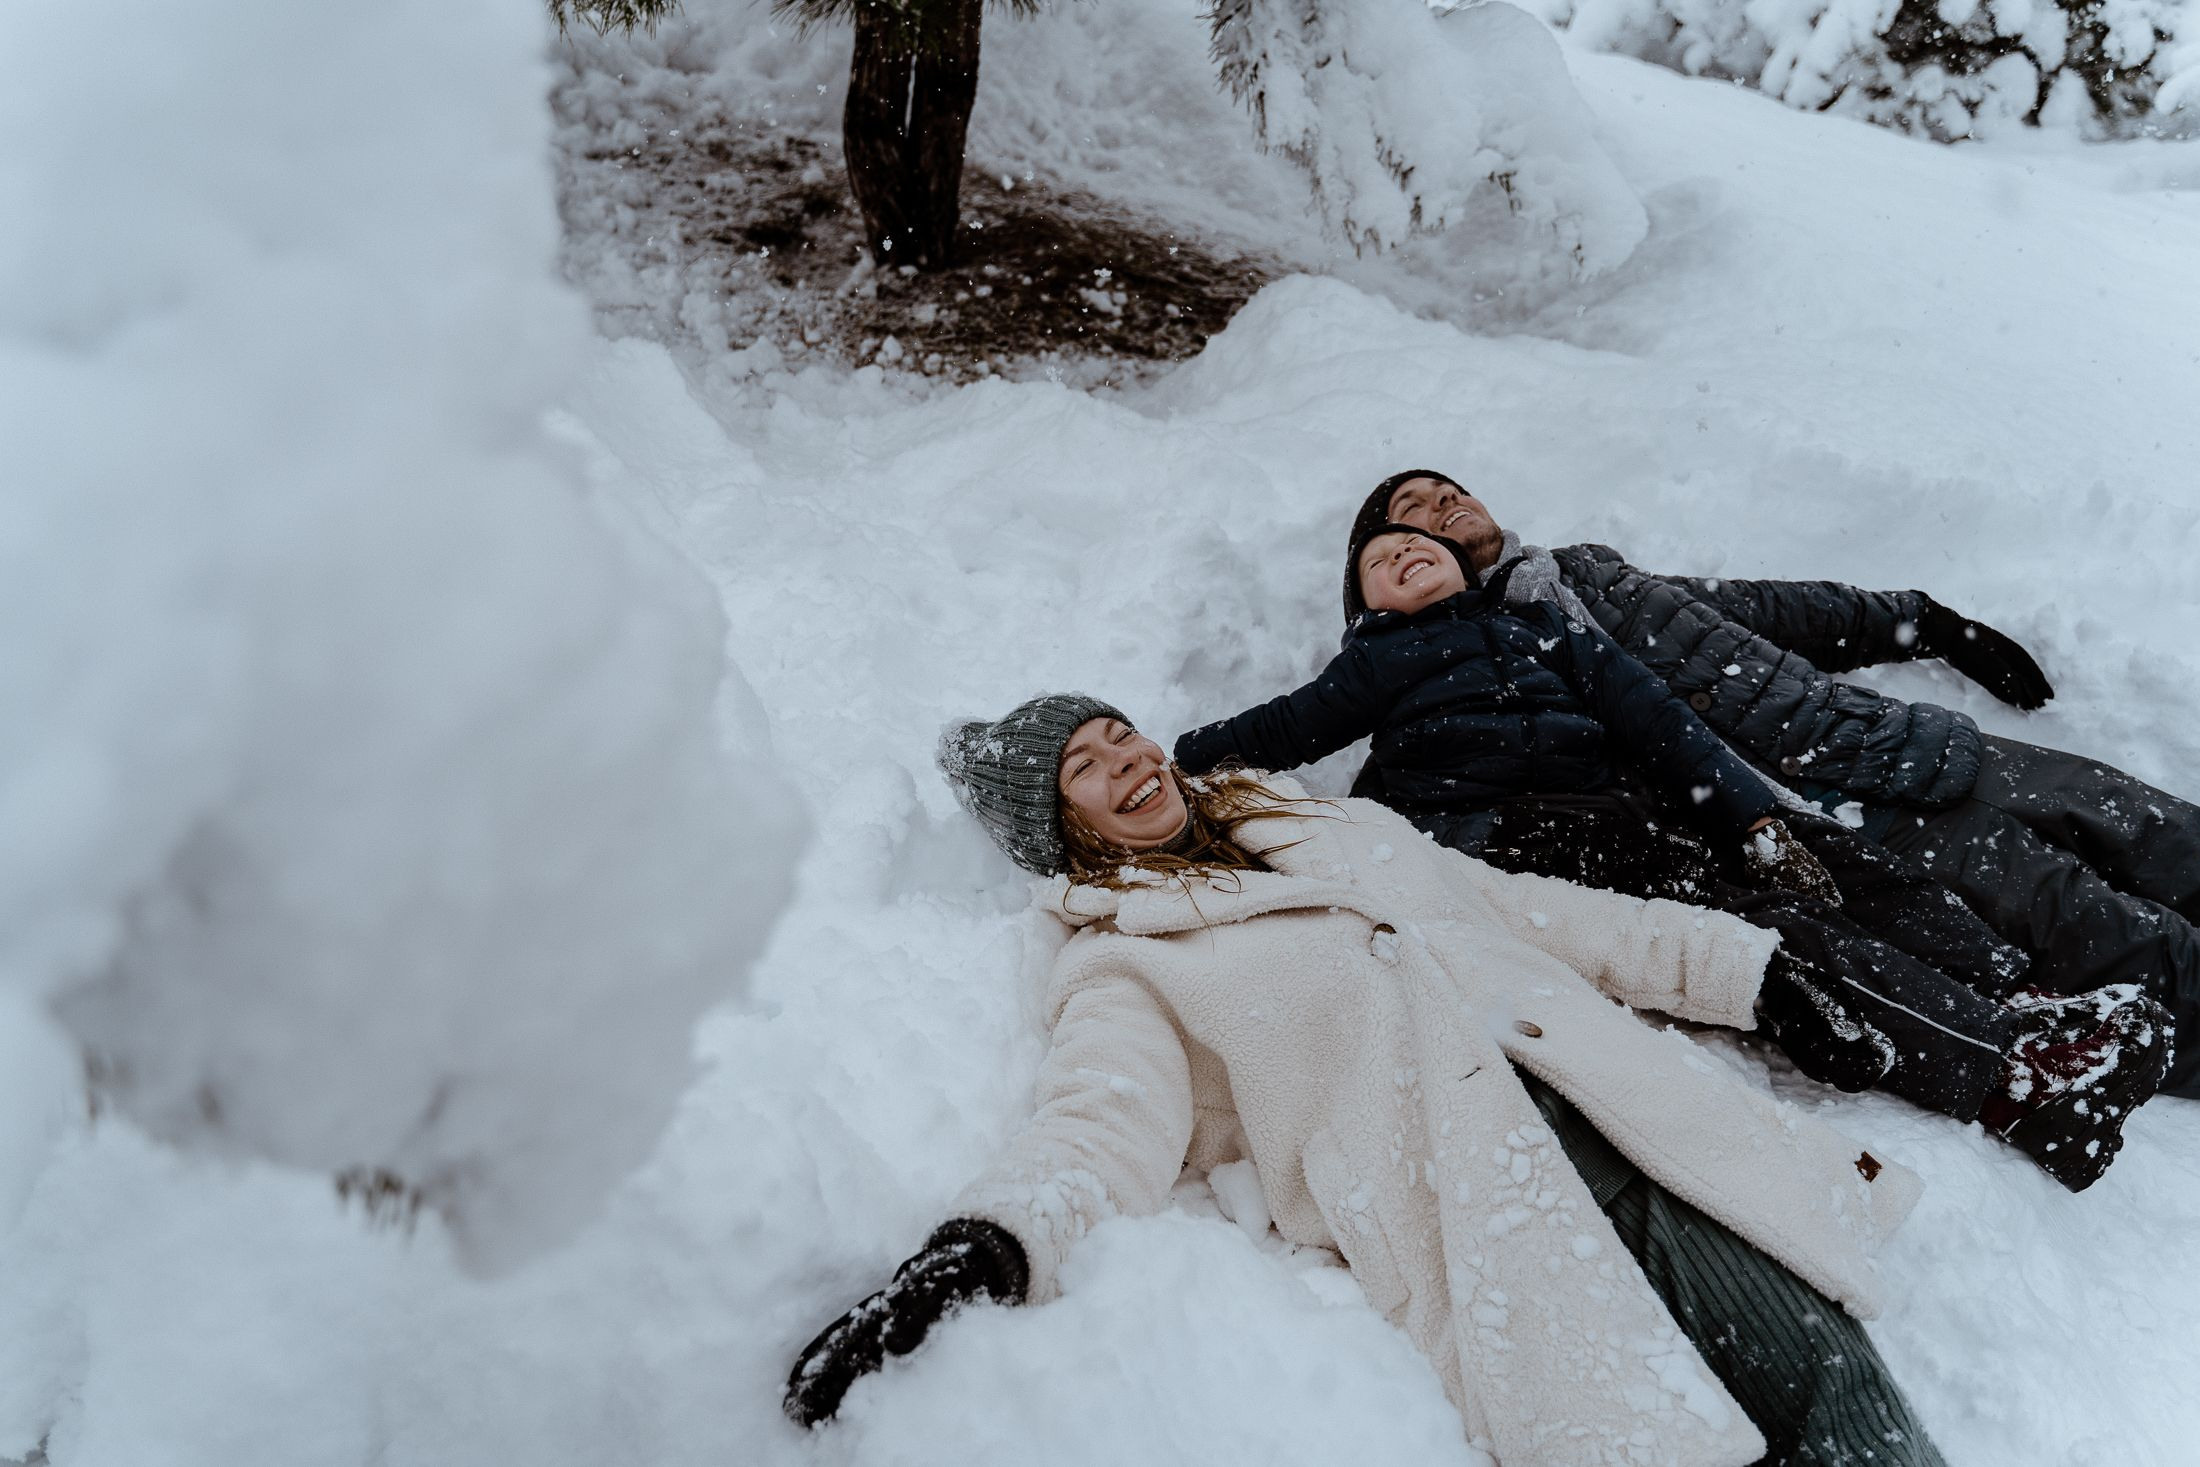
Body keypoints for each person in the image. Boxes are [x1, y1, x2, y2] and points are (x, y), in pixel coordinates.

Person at [785, 695, 1946, 1466]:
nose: (1125, 761)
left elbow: (1531, 916)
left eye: (1120, 733)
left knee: (1830, 1385)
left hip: (1620, 1113)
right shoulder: (1120, 957)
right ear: (1060, 827)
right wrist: (986, 1245)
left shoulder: (1332, 823)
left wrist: (1747, 976)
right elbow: (1102, 1120)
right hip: (1480, 1210)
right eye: (1081, 768)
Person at [1172, 524, 2173, 1189]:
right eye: (1380, 560)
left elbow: (1658, 724)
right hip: (1521, 845)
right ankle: (2009, 1077)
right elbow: (1277, 729)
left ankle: (2021, 1004)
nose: (1406, 554)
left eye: (1420, 542)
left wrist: (1750, 820)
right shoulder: (1374, 668)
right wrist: (1175, 767)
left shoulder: (1547, 631)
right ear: (1364, 610)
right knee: (1784, 941)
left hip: (1635, 819)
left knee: (1848, 891)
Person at [1359, 469, 2200, 1099]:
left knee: (2162, 831)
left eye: (1446, 490)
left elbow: (1765, 608)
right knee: (2124, 940)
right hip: (1853, 838)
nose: (1442, 505)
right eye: (1413, 514)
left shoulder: (1588, 573)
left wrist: (1925, 620)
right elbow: (1401, 822)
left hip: (1904, 745)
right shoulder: (1453, 698)